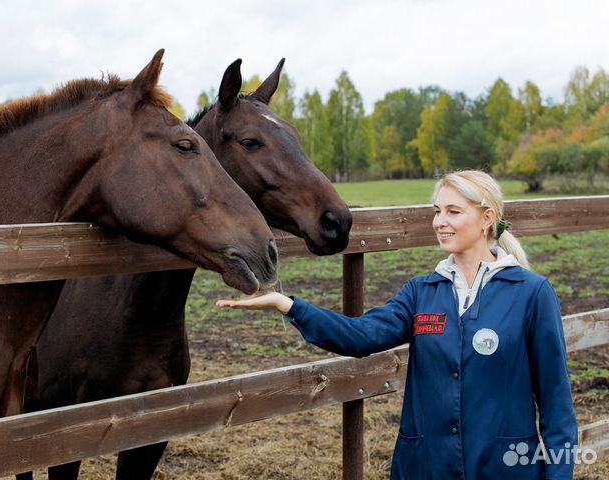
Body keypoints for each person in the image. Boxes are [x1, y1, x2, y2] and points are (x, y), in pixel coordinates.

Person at [216, 170, 578, 479]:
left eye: (453, 211)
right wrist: (289, 305)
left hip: (504, 468)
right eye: (437, 211)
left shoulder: (531, 294)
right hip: (425, 466)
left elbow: (557, 408)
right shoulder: (422, 292)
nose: (440, 221)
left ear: (487, 219)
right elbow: (360, 336)